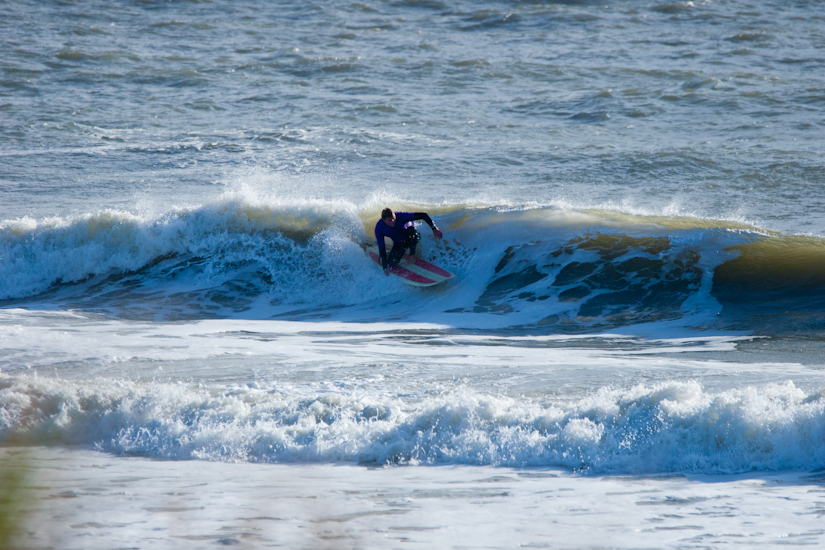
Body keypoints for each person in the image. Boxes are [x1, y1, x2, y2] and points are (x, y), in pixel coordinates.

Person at [375, 208, 443, 274]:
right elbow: (382, 248)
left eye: (393, 218)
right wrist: (385, 267)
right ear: (383, 220)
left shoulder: (400, 216)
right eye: (390, 220)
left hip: (410, 236)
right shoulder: (379, 228)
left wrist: (434, 228)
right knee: (392, 264)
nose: (393, 221)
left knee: (412, 231)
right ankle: (390, 254)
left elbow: (423, 215)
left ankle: (412, 255)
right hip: (399, 242)